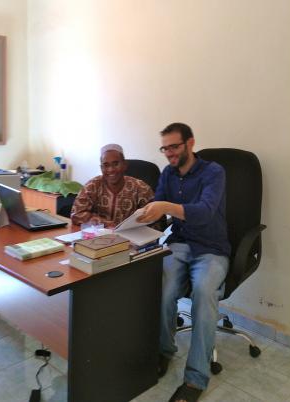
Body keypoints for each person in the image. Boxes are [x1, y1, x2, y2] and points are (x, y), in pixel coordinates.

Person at [138, 123, 231, 402]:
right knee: (162, 290)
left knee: (203, 292)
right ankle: (164, 351)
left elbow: (203, 212)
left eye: (174, 147)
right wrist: (138, 219)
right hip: (179, 244)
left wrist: (165, 207)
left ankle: (195, 379)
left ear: (190, 143)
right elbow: (159, 205)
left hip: (211, 248)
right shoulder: (168, 173)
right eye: (164, 148)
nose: (168, 154)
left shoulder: (214, 172)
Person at [71, 144, 154, 227]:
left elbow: (155, 221)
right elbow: (76, 214)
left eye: (116, 164)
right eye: (106, 165)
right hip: (99, 236)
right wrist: (103, 223)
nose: (111, 170)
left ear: (125, 165)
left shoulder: (141, 188)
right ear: (101, 168)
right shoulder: (92, 186)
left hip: (133, 237)